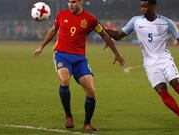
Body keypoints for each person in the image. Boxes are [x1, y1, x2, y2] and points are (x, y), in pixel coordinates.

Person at [105, 0, 179, 130]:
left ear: (153, 6)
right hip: (149, 63)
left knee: (177, 85)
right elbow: (117, 36)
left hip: (164, 59)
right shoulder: (136, 21)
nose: (142, 9)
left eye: (145, 6)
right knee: (162, 91)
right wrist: (98, 27)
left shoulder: (167, 22)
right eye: (141, 6)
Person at [34, 0, 125, 132]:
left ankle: (87, 123)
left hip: (79, 60)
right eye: (69, 2)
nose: (71, 4)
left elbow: (104, 34)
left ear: (81, 1)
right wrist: (41, 46)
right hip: (62, 55)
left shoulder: (90, 19)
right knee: (64, 80)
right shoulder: (61, 15)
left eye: (74, 2)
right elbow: (53, 30)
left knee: (91, 91)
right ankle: (68, 116)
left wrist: (116, 53)